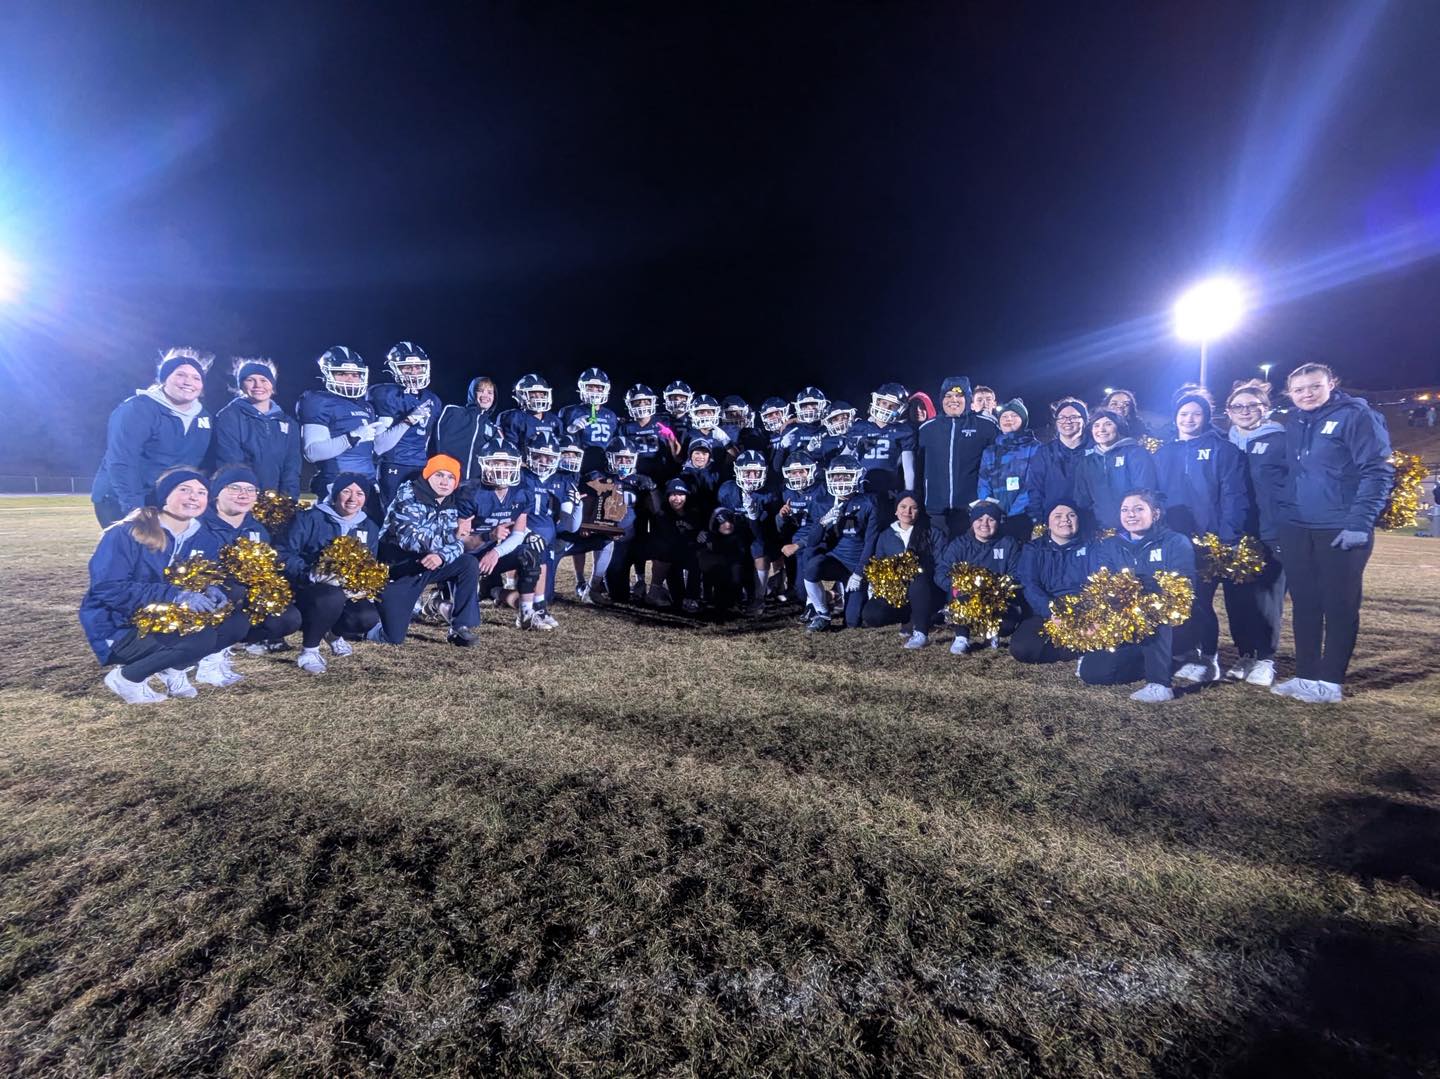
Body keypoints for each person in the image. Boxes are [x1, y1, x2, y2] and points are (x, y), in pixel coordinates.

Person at [1272, 363, 1394, 703]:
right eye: (1299, 389)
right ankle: (1306, 676)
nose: (1307, 394)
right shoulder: (1295, 421)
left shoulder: (1357, 415)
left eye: (1314, 386)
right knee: (1305, 605)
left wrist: (1359, 522)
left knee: (1339, 605)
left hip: (1339, 527)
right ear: (1290, 393)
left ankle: (1330, 682)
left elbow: (1377, 471)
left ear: (1331, 384)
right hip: (1298, 526)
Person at [80, 468, 251, 703]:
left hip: (168, 619)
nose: (194, 497)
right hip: (119, 625)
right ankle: (128, 678)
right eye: (184, 489)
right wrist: (175, 595)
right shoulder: (126, 533)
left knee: (236, 623)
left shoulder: (205, 537)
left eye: (201, 492)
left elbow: (206, 574)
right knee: (200, 638)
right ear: (164, 495)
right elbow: (107, 588)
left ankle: (174, 669)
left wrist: (212, 587)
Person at [1153, 390, 1247, 683]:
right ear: (1175, 417)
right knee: (1176, 598)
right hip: (1172, 539)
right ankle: (1186, 651)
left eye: (1196, 413)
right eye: (1183, 414)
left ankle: (1209, 657)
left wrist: (1229, 537)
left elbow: (1234, 496)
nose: (1189, 419)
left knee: (1202, 601)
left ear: (1206, 417)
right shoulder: (1164, 452)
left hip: (1208, 539)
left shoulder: (1223, 450)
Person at [1079, 489, 1196, 702]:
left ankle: (1160, 684)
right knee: (1093, 671)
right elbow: (1103, 584)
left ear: (1156, 513)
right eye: (1125, 510)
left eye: (1139, 509)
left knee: (1152, 609)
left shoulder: (1175, 541)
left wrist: (1141, 587)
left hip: (1170, 626)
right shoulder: (1111, 544)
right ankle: (1165, 662)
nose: (1130, 514)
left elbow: (1183, 588)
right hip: (1127, 625)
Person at [92, 348, 214, 527]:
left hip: (166, 500)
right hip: (121, 499)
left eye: (196, 378)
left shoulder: (204, 417)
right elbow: (121, 461)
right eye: (180, 375)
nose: (188, 382)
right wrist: (134, 509)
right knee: (137, 544)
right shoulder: (137, 409)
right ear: (164, 378)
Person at [277, 472, 382, 675]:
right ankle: (309, 651)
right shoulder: (310, 518)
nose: (352, 498)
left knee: (367, 617)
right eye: (346, 491)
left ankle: (333, 635)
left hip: (344, 590)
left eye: (360, 493)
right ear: (335, 494)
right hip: (308, 587)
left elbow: (370, 562)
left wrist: (362, 584)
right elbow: (283, 553)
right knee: (330, 596)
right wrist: (311, 573)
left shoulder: (369, 526)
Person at [371, 454, 481, 646]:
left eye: (451, 477)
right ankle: (367, 626)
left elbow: (459, 545)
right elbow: (409, 540)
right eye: (439, 475)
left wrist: (441, 556)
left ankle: (460, 627)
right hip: (398, 570)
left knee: (468, 563)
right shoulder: (408, 496)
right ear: (428, 475)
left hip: (427, 566)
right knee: (393, 638)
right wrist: (452, 537)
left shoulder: (452, 502)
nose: (445, 482)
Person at [193, 464, 302, 654]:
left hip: (247, 598)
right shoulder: (198, 525)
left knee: (289, 618)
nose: (243, 495)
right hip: (209, 596)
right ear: (216, 493)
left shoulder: (258, 529)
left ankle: (241, 639)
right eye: (234, 488)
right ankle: (210, 645)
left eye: (250, 489)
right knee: (233, 589)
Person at [1222, 380, 1289, 686]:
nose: (1245, 411)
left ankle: (1265, 658)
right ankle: (1245, 653)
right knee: (1237, 596)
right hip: (1235, 531)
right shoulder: (1226, 443)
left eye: (1252, 405)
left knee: (1267, 595)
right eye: (1238, 406)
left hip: (1270, 531)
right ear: (1228, 411)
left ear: (1266, 408)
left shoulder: (1281, 440)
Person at [298, 346, 409, 514]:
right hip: (336, 485)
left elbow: (376, 449)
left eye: (355, 374)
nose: (350, 379)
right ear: (328, 374)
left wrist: (406, 423)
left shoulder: (366, 406)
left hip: (368, 486)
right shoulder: (319, 401)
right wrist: (352, 437)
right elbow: (313, 452)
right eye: (342, 373)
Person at [454, 440, 549, 629]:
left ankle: (526, 613)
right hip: (467, 555)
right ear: (484, 464)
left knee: (529, 553)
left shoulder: (522, 492)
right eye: (496, 463)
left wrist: (496, 552)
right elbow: (458, 540)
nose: (502, 469)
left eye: (507, 464)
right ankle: (438, 601)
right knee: (464, 616)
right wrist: (488, 537)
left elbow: (518, 534)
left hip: (493, 554)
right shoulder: (469, 491)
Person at [933, 498, 1024, 654]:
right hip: (966, 598)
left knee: (1007, 625)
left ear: (998, 522)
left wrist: (997, 589)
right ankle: (962, 636)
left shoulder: (1008, 543)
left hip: (996, 600)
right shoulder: (959, 544)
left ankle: (992, 631)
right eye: (979, 519)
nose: (985, 524)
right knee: (957, 590)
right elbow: (942, 571)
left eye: (991, 519)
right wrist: (955, 585)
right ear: (972, 522)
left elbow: (1017, 573)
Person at [801, 455, 880, 631]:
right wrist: (823, 523)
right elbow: (812, 542)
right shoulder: (823, 502)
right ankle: (822, 613)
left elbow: (871, 543)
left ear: (857, 477)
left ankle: (856, 595)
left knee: (852, 622)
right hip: (835, 561)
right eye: (837, 476)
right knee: (812, 566)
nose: (841, 481)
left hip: (856, 564)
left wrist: (859, 573)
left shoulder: (868, 502)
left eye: (846, 476)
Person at [1011, 499, 1092, 665]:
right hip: (1046, 612)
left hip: (1081, 611)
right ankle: (1072, 650)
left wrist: (1078, 612)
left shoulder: (1092, 547)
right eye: (1058, 516)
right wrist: (1052, 611)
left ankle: (1080, 647)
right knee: (1022, 648)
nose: (1065, 520)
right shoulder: (1034, 548)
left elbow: (1097, 583)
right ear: (1048, 522)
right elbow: (1029, 583)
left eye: (1071, 515)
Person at [915, 376, 999, 536]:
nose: (953, 400)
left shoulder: (986, 426)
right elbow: (917, 468)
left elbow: (997, 466)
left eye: (959, 395)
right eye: (948, 396)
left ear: (967, 399)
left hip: (972, 511)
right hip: (934, 511)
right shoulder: (927, 429)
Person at [209, 357, 301, 497]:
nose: (258, 385)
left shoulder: (288, 423)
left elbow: (292, 465)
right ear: (241, 386)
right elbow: (230, 462)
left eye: (264, 380)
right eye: (250, 380)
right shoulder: (229, 416)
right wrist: (247, 495)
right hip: (244, 497)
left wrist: (288, 499)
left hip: (276, 500)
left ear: (272, 385)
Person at [859, 492, 940, 648]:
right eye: (903, 507)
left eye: (913, 508)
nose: (907, 511)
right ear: (896, 510)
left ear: (919, 511)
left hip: (925, 589)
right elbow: (878, 564)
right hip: (897, 591)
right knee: (871, 615)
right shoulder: (885, 535)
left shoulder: (932, 533)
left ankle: (921, 631)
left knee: (919, 578)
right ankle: (908, 617)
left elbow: (941, 563)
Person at [369, 342, 443, 504]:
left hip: (421, 465)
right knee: (390, 511)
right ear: (395, 368)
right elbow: (379, 445)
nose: (414, 372)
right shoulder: (387, 395)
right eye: (407, 367)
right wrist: (408, 420)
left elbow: (430, 439)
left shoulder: (433, 400)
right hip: (394, 462)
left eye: (418, 367)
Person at [1073, 408, 1158, 536]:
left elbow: (1145, 491)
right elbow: (1082, 499)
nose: (1101, 430)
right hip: (1101, 531)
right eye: (1096, 425)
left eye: (1108, 424)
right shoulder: (1087, 461)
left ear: (1118, 427)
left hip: (1134, 530)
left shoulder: (1135, 453)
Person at [716, 449, 781, 615]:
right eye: (747, 472)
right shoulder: (728, 489)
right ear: (738, 471)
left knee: (760, 550)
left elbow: (764, 530)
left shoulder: (769, 493)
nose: (752, 476)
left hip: (758, 534)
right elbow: (721, 516)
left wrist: (753, 516)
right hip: (735, 535)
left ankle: (759, 597)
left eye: (756, 472)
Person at [978, 398, 1042, 542]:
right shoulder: (990, 451)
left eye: (1014, 415)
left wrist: (1014, 513)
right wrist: (990, 509)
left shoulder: (1035, 448)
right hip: (996, 518)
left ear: (1023, 420)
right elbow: (983, 484)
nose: (1009, 419)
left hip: (1025, 517)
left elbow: (1033, 484)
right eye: (1004, 416)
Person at [851, 382, 917, 501]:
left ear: (900, 409)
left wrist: (908, 493)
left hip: (888, 488)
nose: (886, 408)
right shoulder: (859, 427)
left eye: (892, 406)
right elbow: (845, 459)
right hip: (861, 487)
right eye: (884, 403)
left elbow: (908, 467)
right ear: (877, 402)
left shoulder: (903, 431)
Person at [1025, 397, 1091, 517]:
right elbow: (1035, 489)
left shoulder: (1096, 450)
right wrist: (1037, 519)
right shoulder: (1044, 452)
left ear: (1084, 421)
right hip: (1056, 520)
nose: (1067, 421)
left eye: (1074, 417)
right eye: (1062, 417)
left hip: (1090, 518)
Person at [647, 477, 704, 611]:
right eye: (673, 495)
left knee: (699, 557)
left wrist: (702, 534)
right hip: (671, 557)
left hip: (690, 556)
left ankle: (693, 596)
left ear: (687, 496)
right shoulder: (663, 514)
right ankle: (659, 592)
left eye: (680, 494)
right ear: (667, 496)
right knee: (677, 599)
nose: (677, 499)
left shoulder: (695, 513)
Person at [434, 374, 502, 481]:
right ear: (472, 393)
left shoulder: (493, 429)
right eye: (481, 391)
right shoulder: (453, 412)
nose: (485, 395)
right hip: (447, 481)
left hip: (475, 486)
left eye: (490, 392)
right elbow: (432, 441)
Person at [559, 367, 621, 472]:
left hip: (604, 464)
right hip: (577, 462)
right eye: (590, 387)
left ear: (606, 389)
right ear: (582, 388)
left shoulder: (611, 415)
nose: (594, 391)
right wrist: (570, 429)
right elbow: (557, 438)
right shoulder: (569, 411)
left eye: (598, 387)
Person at [499, 373, 562, 450]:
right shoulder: (514, 418)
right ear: (521, 395)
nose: (538, 397)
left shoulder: (555, 420)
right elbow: (510, 449)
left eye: (541, 393)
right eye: (533, 394)